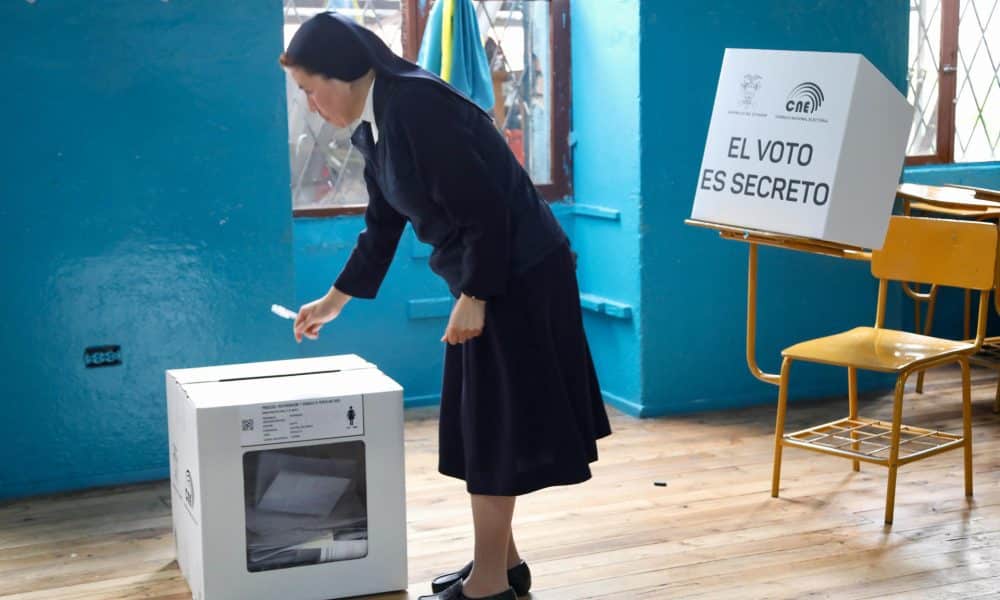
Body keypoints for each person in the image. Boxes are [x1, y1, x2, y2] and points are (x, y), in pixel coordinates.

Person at [284, 12, 611, 600]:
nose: (309, 104)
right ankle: (503, 566)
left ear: (342, 73)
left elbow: (486, 210)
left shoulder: (417, 107)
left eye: (309, 89)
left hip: (517, 278)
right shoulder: (376, 122)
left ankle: (489, 587)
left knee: (492, 430)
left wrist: (476, 296)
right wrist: (335, 299)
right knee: (483, 425)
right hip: (486, 276)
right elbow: (381, 225)